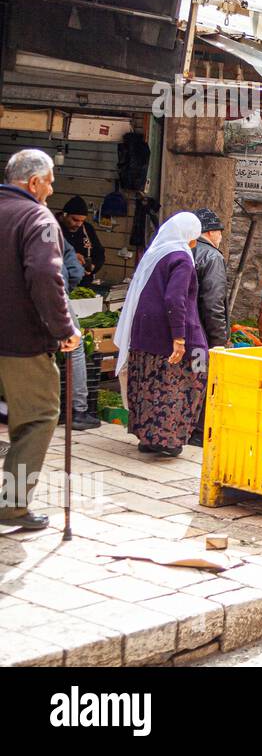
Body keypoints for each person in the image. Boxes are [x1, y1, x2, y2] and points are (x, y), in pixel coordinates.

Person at [0, 150, 81, 530]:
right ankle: (13, 505)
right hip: (20, 342)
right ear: (34, 183)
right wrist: (64, 330)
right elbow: (47, 278)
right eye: (49, 181)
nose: (52, 188)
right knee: (37, 418)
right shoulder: (37, 217)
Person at [113, 212, 208, 457]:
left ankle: (147, 437)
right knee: (180, 383)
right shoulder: (182, 260)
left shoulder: (155, 255)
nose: (195, 243)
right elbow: (175, 299)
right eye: (194, 237)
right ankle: (168, 440)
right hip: (170, 334)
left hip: (144, 333)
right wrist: (179, 338)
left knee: (146, 382)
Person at [60, 233, 99, 431]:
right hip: (52, 292)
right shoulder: (43, 222)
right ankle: (78, 411)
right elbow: (75, 270)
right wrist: (66, 291)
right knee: (75, 346)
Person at [192, 209, 229, 349]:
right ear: (210, 232)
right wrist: (219, 342)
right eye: (220, 232)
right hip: (200, 335)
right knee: (200, 368)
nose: (220, 237)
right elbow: (213, 302)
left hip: (182, 331)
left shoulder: (182, 249)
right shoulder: (212, 257)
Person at [58, 195, 104, 287]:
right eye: (75, 220)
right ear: (64, 215)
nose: (78, 224)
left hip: (83, 285)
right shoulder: (51, 226)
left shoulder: (87, 228)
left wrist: (92, 267)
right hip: (58, 284)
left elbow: (99, 253)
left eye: (82, 221)